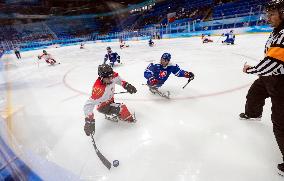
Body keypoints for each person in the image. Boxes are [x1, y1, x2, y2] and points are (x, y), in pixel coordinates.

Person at [240, 0, 284, 176]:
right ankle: (253, 113)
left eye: (272, 14)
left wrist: (252, 69)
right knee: (254, 93)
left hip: (281, 82)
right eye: (268, 14)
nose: (268, 17)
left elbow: (273, 62)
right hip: (270, 77)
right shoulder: (277, 31)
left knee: (280, 123)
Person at [83, 64, 137, 136]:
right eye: (108, 78)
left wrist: (126, 85)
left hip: (110, 100)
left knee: (121, 108)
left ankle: (118, 114)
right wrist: (89, 121)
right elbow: (88, 105)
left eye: (112, 76)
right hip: (103, 106)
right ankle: (132, 123)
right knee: (122, 108)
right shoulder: (98, 89)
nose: (111, 79)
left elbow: (119, 80)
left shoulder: (111, 75)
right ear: (102, 77)